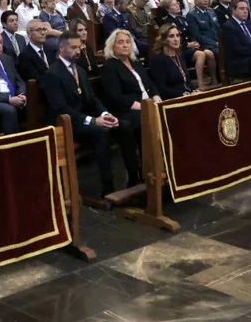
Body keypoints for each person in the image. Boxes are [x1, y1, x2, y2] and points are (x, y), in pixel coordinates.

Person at [41, 32, 137, 196]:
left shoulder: (80, 70)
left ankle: (134, 178)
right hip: (69, 122)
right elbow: (61, 108)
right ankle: (107, 187)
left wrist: (105, 114)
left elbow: (92, 98)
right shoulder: (53, 74)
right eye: (73, 47)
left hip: (87, 118)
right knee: (101, 132)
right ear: (62, 48)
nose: (78, 51)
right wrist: (93, 120)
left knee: (125, 125)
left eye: (79, 47)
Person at [100, 28, 161, 135]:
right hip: (128, 109)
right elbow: (116, 96)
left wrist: (156, 97)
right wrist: (144, 107)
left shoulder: (136, 63)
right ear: (112, 46)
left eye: (128, 42)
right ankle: (150, 151)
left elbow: (150, 84)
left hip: (148, 104)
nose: (125, 45)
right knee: (148, 118)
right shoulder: (109, 67)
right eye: (120, 42)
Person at [147, 24, 196, 100]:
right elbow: (161, 89)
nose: (176, 39)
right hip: (173, 100)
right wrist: (182, 94)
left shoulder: (179, 56)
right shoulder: (159, 60)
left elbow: (187, 81)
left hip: (187, 96)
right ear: (164, 39)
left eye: (177, 35)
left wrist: (194, 90)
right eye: (171, 36)